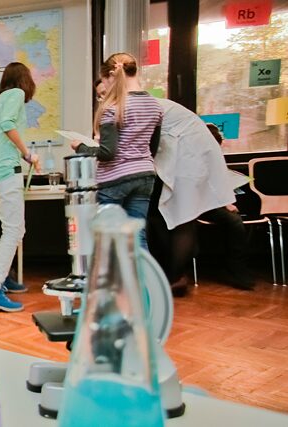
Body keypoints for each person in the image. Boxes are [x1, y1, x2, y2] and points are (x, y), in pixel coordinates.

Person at [146, 99, 241, 295]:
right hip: (189, 161)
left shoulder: (141, 106)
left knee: (179, 220)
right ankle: (175, 276)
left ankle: (174, 277)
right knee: (175, 219)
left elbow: (150, 146)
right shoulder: (162, 107)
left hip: (185, 161)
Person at [71, 53, 162, 247]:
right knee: (138, 237)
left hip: (114, 179)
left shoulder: (113, 107)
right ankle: (141, 269)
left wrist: (80, 147)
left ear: (111, 76)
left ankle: (110, 269)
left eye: (104, 82)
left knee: (107, 240)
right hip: (145, 176)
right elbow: (152, 148)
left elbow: (107, 153)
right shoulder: (155, 105)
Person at [0, 62, 39, 312]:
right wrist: (27, 154)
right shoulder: (16, 93)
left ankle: (2, 277)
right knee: (13, 230)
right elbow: (7, 124)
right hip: (5, 170)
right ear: (24, 79)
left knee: (15, 228)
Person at [196, 124, 254, 290]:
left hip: (215, 201)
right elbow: (201, 187)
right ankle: (236, 269)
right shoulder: (194, 159)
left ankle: (236, 266)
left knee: (240, 214)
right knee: (234, 221)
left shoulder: (213, 159)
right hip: (200, 203)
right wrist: (224, 202)